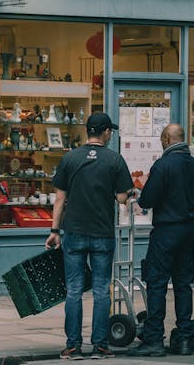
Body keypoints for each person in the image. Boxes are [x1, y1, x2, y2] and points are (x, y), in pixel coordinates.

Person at [46, 112, 134, 360]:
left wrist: (55, 231)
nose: (110, 135)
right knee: (100, 291)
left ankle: (73, 346)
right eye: (110, 131)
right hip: (102, 234)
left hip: (73, 232)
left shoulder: (70, 158)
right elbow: (120, 198)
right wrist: (130, 193)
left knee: (73, 290)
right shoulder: (115, 160)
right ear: (105, 132)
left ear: (88, 132)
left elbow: (60, 199)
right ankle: (101, 345)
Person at [128, 123, 194, 357]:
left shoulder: (163, 165)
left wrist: (140, 195)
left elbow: (148, 200)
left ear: (165, 139)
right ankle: (183, 338)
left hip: (166, 231)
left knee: (157, 283)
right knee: (183, 284)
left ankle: (154, 339)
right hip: (188, 229)